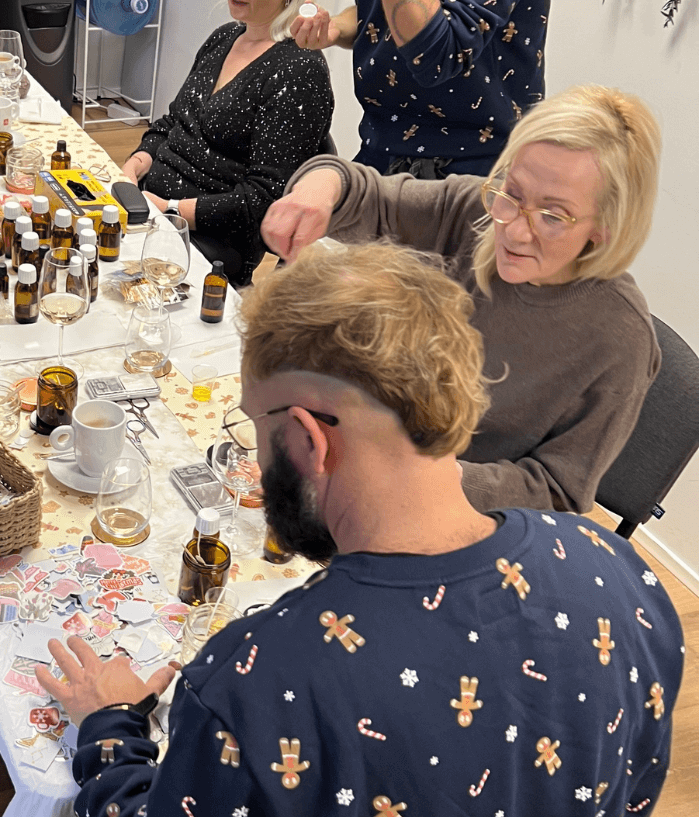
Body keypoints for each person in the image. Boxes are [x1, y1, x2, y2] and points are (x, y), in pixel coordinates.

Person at [36, 243, 683, 817]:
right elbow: (623, 807)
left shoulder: (259, 681)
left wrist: (108, 734)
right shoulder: (615, 574)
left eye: (260, 429)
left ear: (309, 439)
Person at [261, 84, 661, 514]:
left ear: (605, 226)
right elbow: (363, 192)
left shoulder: (620, 338)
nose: (514, 231)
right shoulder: (477, 213)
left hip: (458, 517)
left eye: (552, 216)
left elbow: (557, 491)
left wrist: (425, 476)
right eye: (512, 194)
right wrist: (317, 192)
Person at [120, 0, 333, 286]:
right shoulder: (224, 37)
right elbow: (174, 121)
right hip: (151, 207)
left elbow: (264, 198)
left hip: (210, 240)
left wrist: (171, 209)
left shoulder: (300, 70)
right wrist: (134, 166)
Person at [290, 0, 549, 178]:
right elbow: (380, 13)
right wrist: (339, 26)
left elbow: (439, 54)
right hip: (380, 155)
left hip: (475, 174)